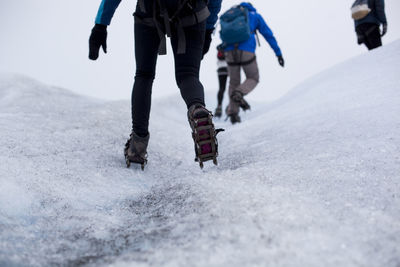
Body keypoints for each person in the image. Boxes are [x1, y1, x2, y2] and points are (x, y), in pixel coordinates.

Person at [88, 0, 222, 169]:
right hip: (193, 13)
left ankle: (137, 147)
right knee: (188, 74)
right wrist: (208, 28)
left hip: (149, 12)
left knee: (144, 75)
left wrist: (101, 25)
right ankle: (198, 110)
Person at [223, 2, 284, 124]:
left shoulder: (231, 14)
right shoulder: (255, 15)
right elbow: (268, 35)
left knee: (234, 82)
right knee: (253, 78)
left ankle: (233, 114)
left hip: (229, 52)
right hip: (247, 50)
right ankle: (239, 93)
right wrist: (278, 53)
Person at [214, 44, 228, 118]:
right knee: (233, 86)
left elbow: (219, 56)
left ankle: (219, 106)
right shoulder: (233, 43)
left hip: (221, 68)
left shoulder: (221, 45)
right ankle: (232, 106)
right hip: (231, 67)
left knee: (221, 88)